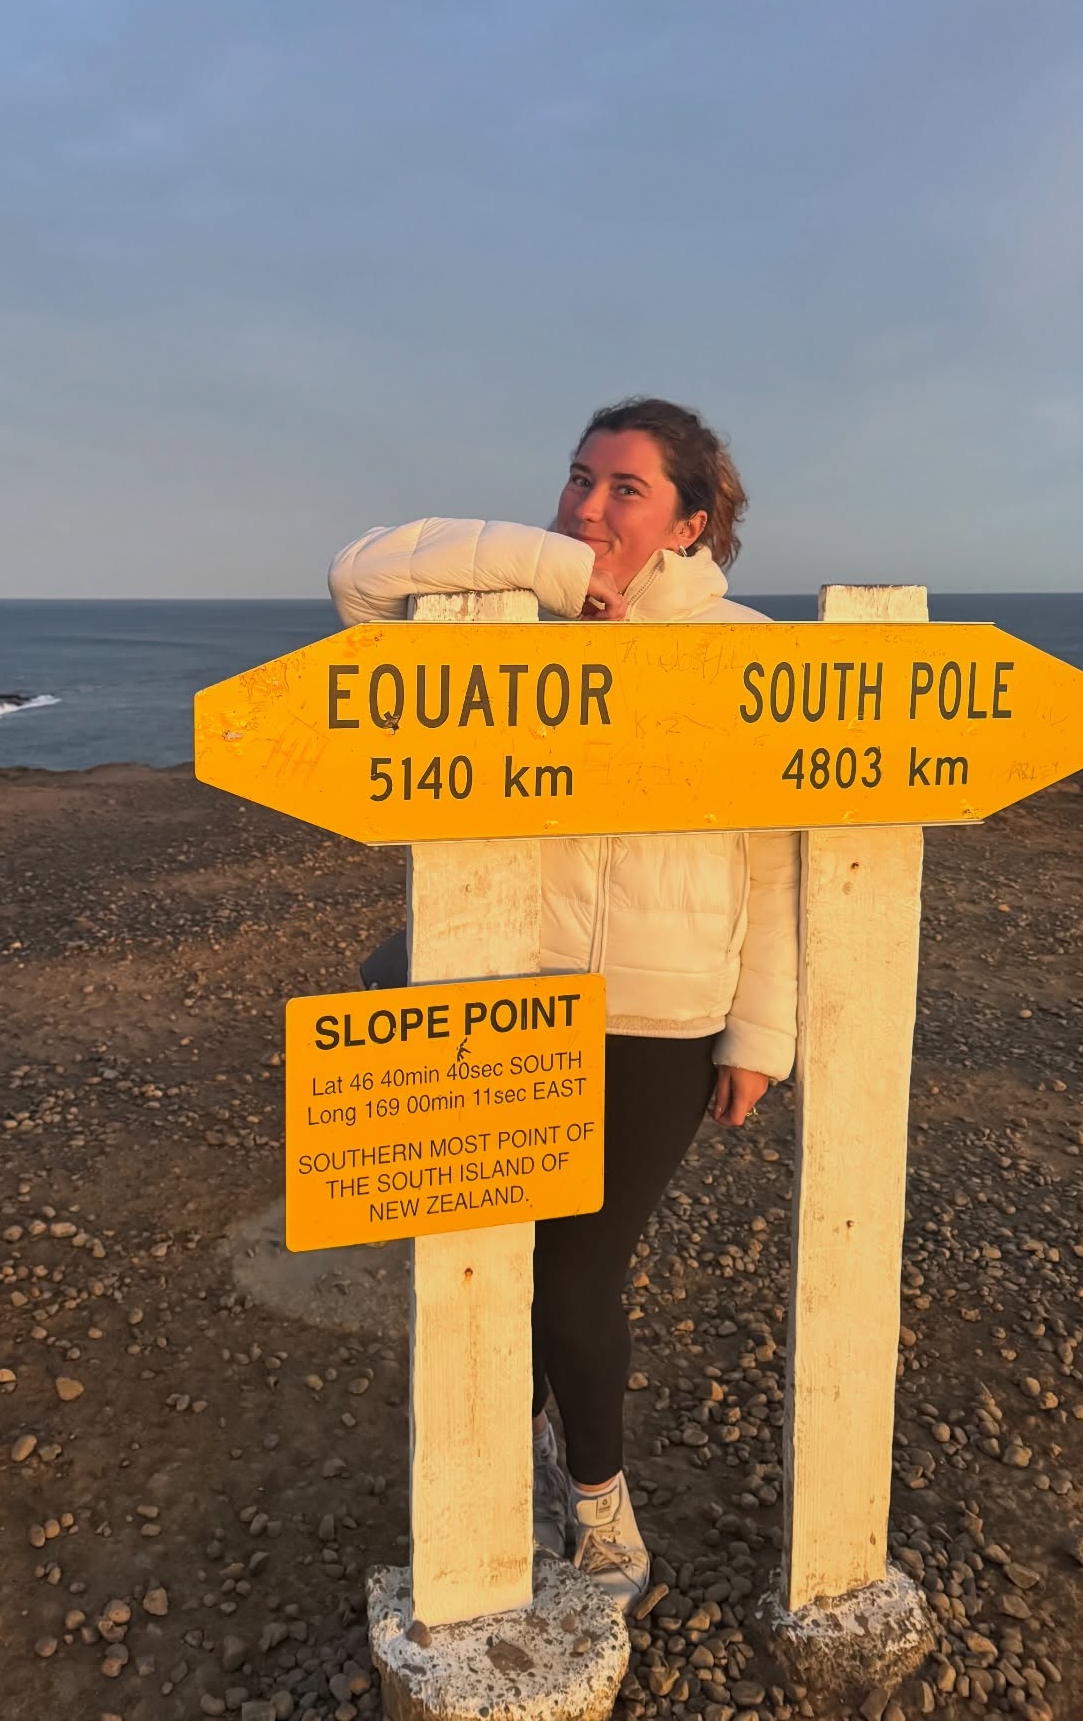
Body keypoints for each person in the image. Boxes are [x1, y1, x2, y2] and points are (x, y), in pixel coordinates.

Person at [328, 397, 800, 1612]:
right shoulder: (505, 621)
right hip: (508, 995)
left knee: (577, 1275)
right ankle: (493, 1468)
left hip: (660, 1013)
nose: (589, 508)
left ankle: (598, 1502)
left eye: (625, 491)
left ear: (692, 520)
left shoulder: (740, 649)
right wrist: (559, 575)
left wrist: (761, 1033)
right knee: (485, 1254)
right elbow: (360, 577)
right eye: (577, 481)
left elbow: (769, 858)